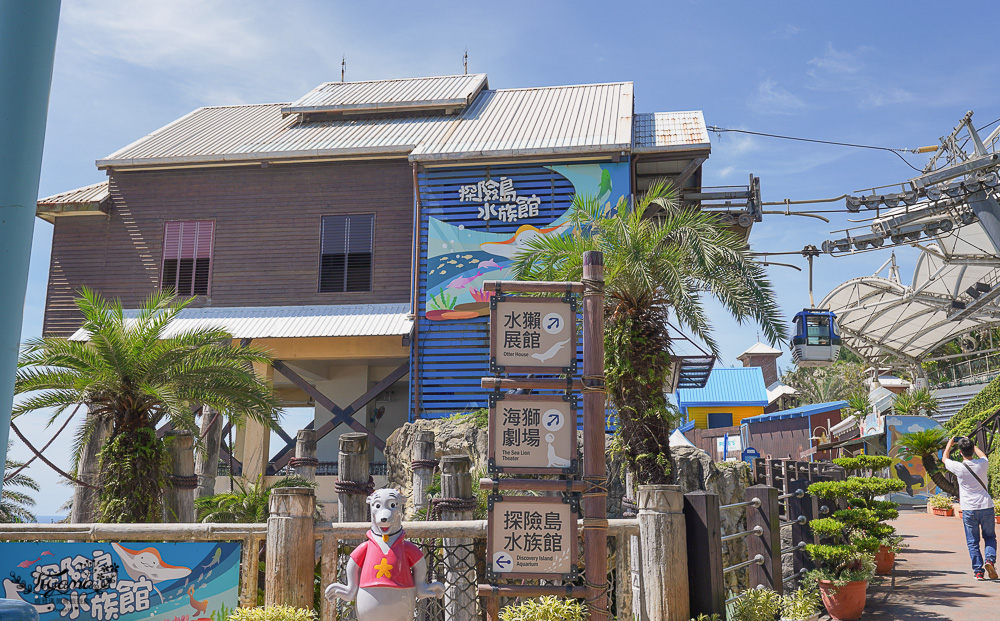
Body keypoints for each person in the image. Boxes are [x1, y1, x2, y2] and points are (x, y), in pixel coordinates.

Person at [943, 436, 997, 580]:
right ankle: (989, 560)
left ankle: (978, 572)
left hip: (969, 509)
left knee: (973, 541)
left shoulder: (958, 467)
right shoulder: (982, 464)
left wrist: (950, 443)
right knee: (990, 537)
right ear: (972, 449)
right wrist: (971, 443)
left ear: (960, 452)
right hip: (986, 506)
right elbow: (983, 455)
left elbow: (944, 458)